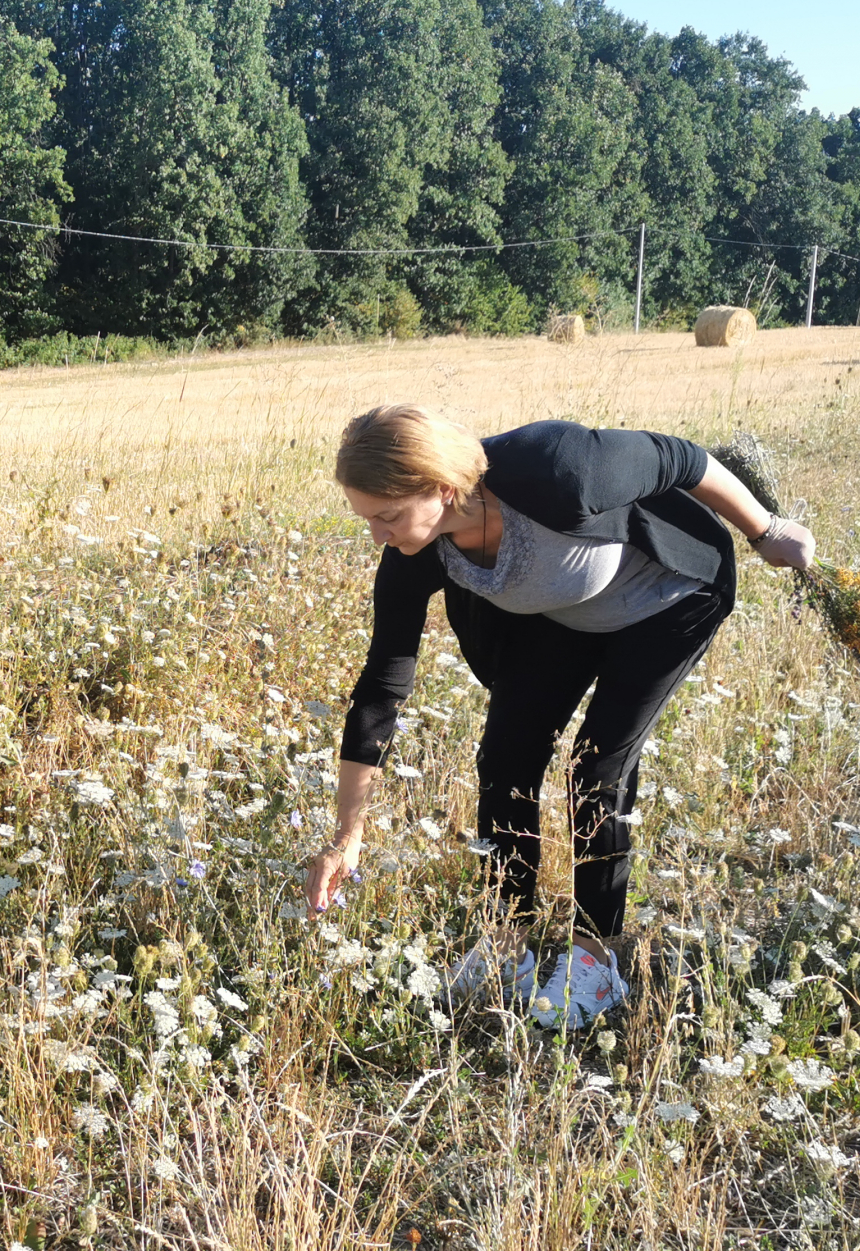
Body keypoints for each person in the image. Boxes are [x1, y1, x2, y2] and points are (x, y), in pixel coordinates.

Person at [302, 405, 815, 1028]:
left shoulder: (559, 470)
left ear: (442, 489)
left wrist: (764, 532)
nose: (379, 535)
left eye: (387, 516)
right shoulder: (416, 551)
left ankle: (595, 962)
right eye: (368, 519)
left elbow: (684, 457)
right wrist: (345, 836)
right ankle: (506, 944)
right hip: (566, 616)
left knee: (596, 767)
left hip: (668, 597)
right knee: (506, 756)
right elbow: (382, 689)